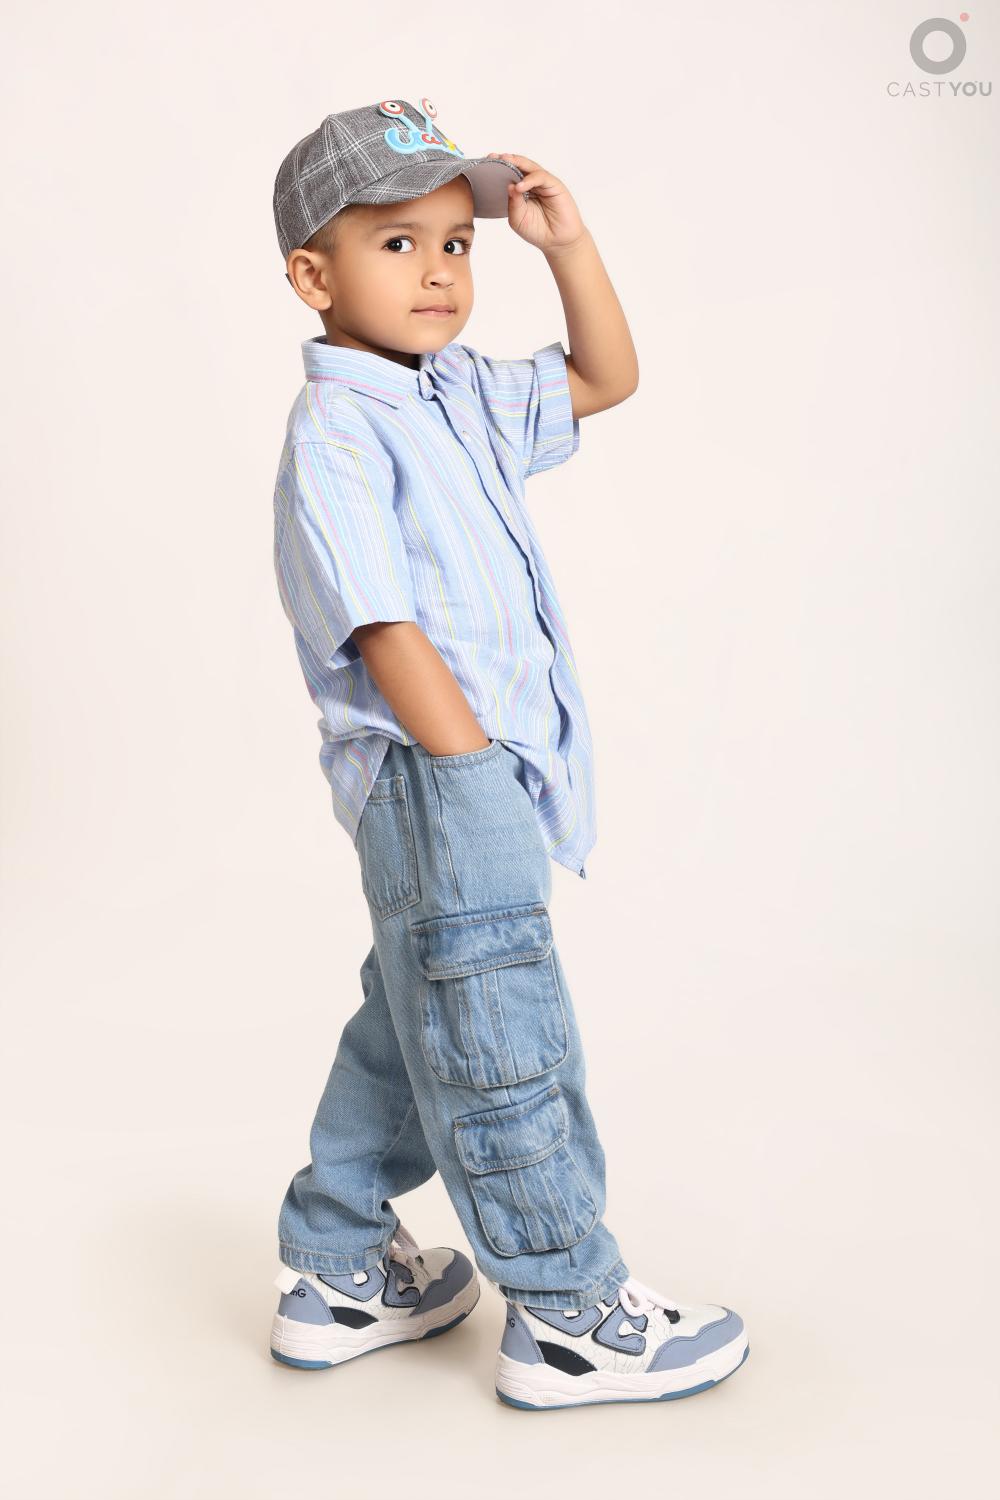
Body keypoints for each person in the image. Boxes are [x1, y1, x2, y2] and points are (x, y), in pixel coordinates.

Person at [267, 96, 749, 1410]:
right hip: (440, 776)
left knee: (413, 1012)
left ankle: (339, 1264)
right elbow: (383, 624)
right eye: (397, 244)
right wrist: (471, 768)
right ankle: (567, 1309)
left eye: (457, 245)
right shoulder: (339, 430)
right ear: (313, 276)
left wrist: (566, 246)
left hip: (478, 773)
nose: (438, 271)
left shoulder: (464, 392)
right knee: (498, 1031)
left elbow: (604, 378)